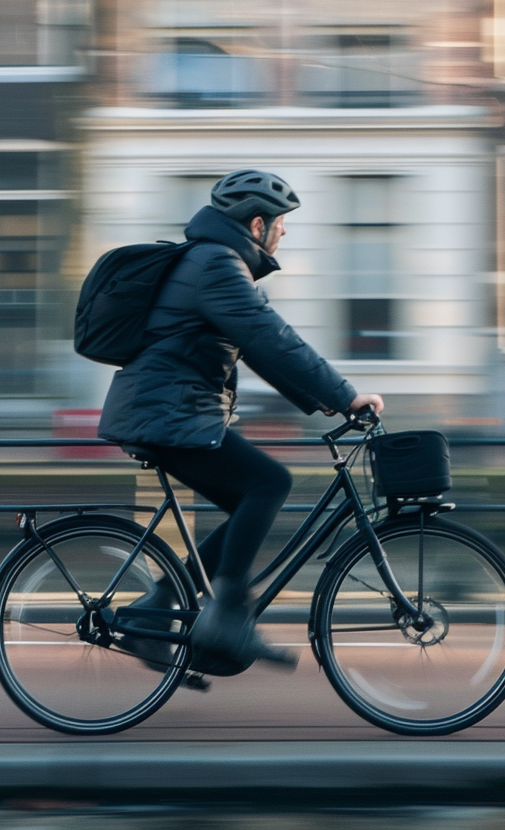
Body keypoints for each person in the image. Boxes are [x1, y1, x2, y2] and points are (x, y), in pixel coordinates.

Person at [98, 169, 385, 670]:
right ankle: (227, 618)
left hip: (169, 411)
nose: (285, 232)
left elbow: (262, 353)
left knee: (248, 501)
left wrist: (333, 403)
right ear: (257, 224)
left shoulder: (217, 263)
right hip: (167, 414)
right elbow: (271, 338)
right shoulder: (217, 266)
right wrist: (347, 396)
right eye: (280, 222)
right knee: (269, 483)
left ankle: (156, 607)